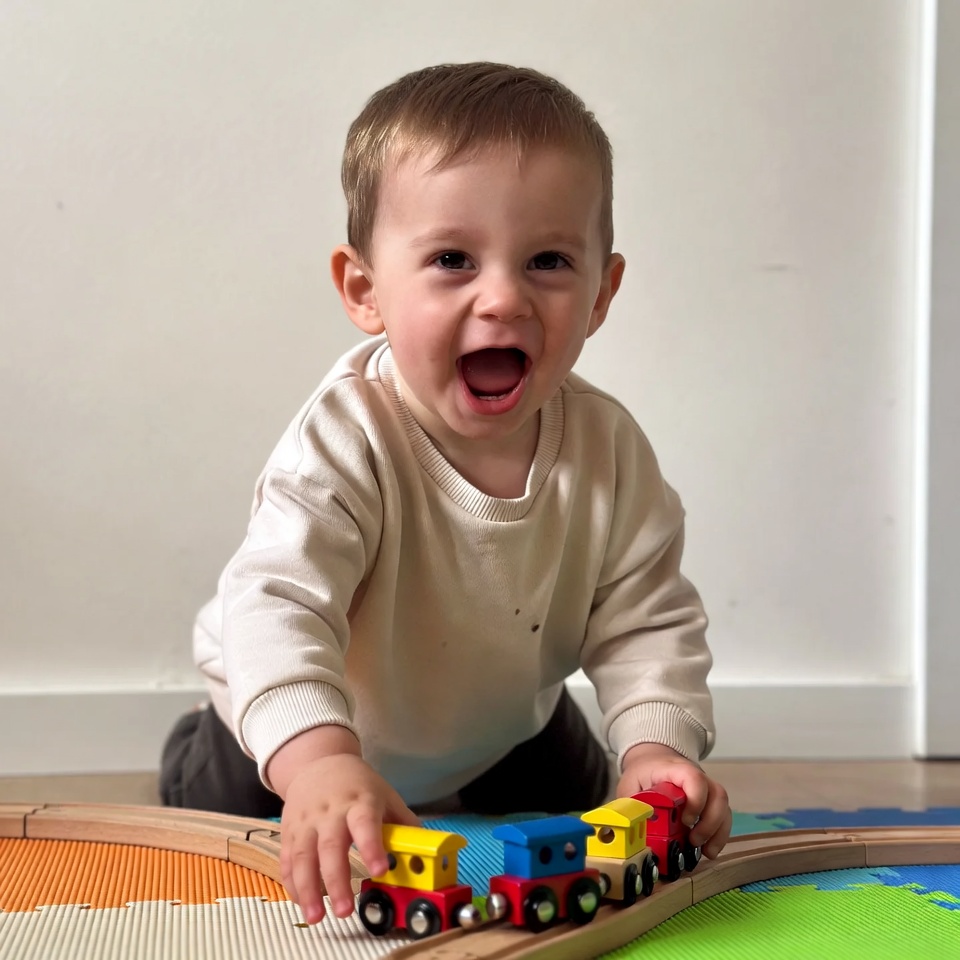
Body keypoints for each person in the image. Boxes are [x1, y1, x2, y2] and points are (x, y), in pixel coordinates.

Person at [160, 61, 732, 926]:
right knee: (225, 853)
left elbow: (647, 619)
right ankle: (221, 761)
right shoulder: (346, 439)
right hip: (294, 729)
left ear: (602, 295)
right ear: (365, 290)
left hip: (502, 727)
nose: (502, 298)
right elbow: (278, 604)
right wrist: (314, 761)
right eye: (452, 260)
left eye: (547, 261)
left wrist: (657, 751)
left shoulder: (610, 452)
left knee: (609, 838)